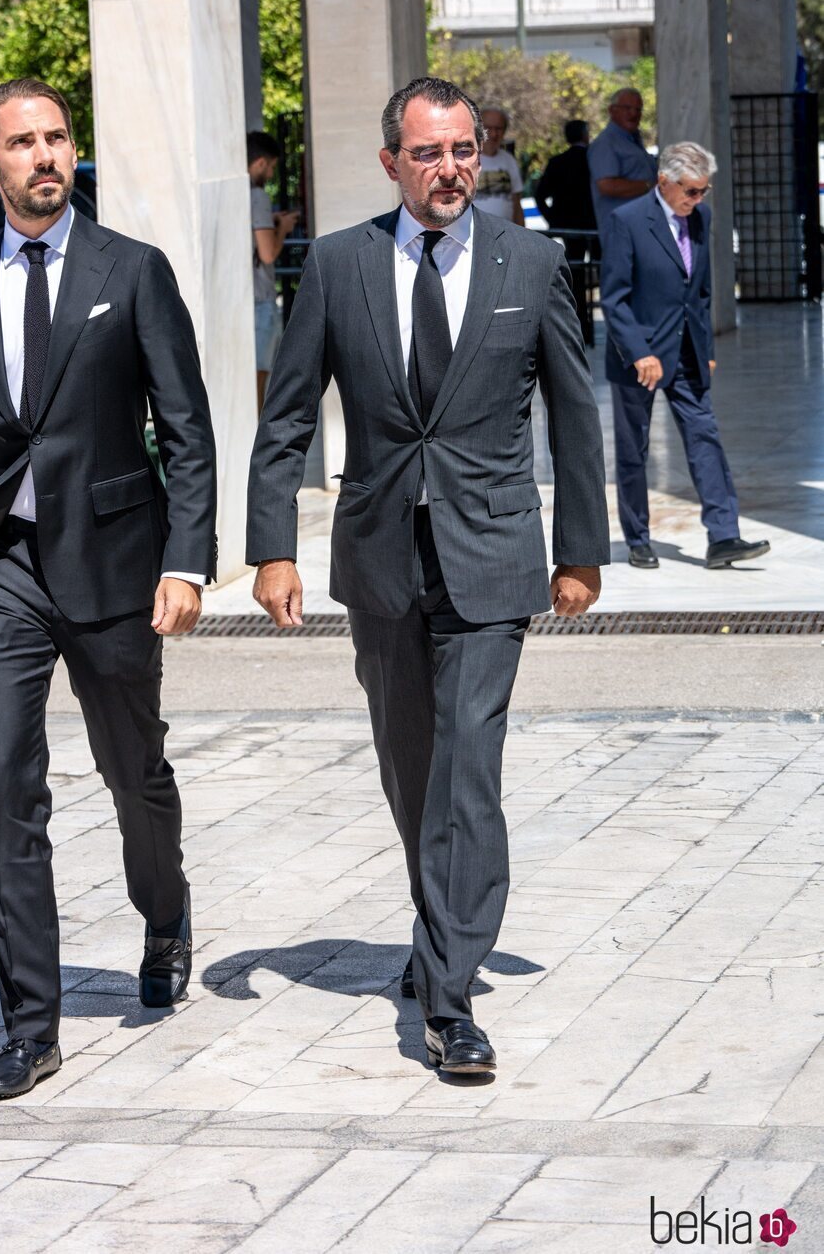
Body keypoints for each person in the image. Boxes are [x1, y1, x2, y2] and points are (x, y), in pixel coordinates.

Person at [247, 76, 609, 1076]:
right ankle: (438, 924)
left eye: (463, 151)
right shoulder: (337, 265)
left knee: (464, 766)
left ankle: (447, 1000)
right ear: (390, 162)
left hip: (491, 554)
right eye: (428, 153)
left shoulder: (529, 261)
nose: (450, 169)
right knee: (410, 765)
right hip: (378, 558)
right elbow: (286, 417)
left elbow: (575, 418)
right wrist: (271, 546)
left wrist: (579, 550)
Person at [0, 78, 217, 1101]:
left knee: (134, 772)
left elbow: (188, 428)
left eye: (56, 137)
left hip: (118, 564)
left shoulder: (134, 271)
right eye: (22, 142)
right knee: (4, 786)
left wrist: (186, 558)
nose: (44, 154)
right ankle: (29, 1023)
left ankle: (164, 916)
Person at [600, 141, 770, 571]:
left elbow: (702, 292)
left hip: (688, 352)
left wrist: (707, 349)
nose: (696, 200)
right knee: (634, 450)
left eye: (703, 192)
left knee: (704, 438)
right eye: (690, 191)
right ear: (664, 181)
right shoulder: (628, 221)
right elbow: (615, 299)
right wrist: (639, 352)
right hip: (637, 359)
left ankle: (724, 536)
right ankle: (638, 538)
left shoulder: (701, 218)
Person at [248, 130, 298, 412]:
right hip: (260, 300)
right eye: (271, 167)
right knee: (259, 378)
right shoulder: (257, 196)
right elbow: (268, 252)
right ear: (260, 163)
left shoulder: (236, 196)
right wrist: (283, 229)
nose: (270, 175)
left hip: (243, 300)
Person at [587, 88, 655, 245]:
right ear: (612, 110)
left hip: (643, 230)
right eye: (627, 108)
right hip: (621, 234)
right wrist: (650, 186)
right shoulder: (606, 143)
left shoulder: (633, 140)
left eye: (638, 109)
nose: (633, 114)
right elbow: (607, 186)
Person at [535, 119, 599, 256]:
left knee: (573, 266)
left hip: (566, 224)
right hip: (593, 222)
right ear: (585, 135)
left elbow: (540, 195)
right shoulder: (595, 161)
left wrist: (552, 217)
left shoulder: (557, 162)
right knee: (598, 265)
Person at [472, 106, 524, 225]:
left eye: (498, 128)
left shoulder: (509, 160)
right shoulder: (465, 159)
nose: (494, 134)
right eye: (488, 128)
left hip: (506, 236)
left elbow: (517, 204)